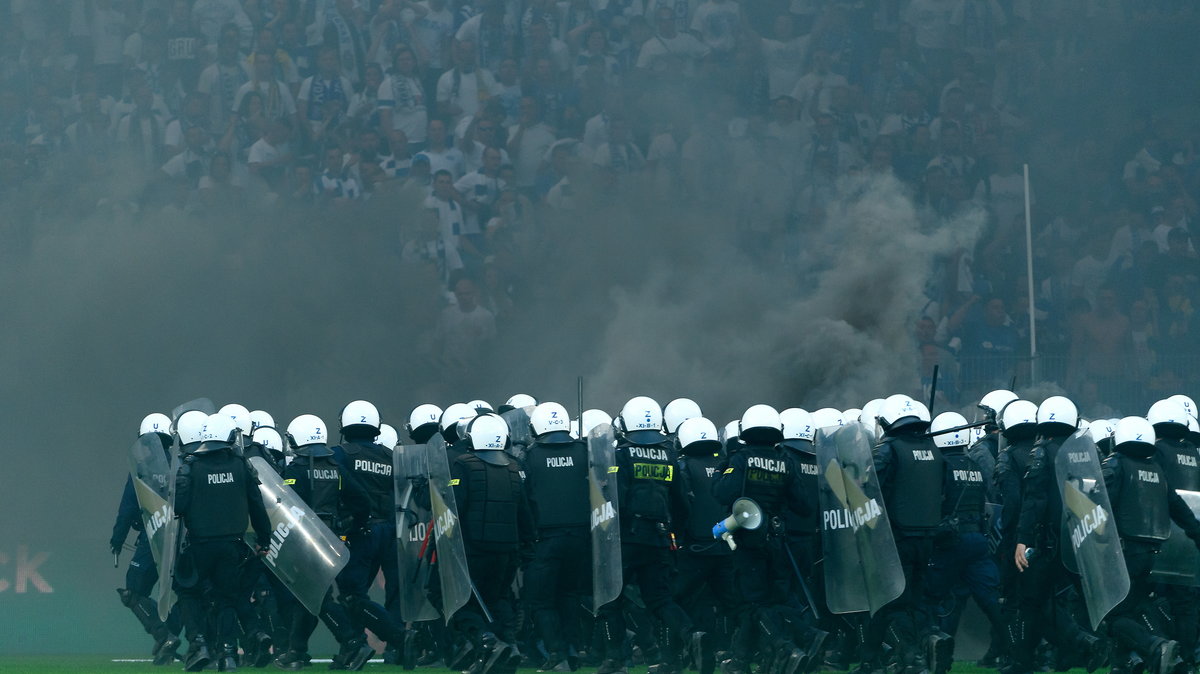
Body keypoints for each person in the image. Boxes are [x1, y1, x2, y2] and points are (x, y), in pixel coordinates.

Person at [713, 404, 810, 674]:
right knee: (774, 600)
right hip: (777, 540)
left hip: (748, 541)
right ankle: (745, 660)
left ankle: (788, 646)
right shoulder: (786, 461)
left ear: (746, 430)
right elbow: (803, 505)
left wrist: (724, 468)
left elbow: (722, 493)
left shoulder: (741, 459)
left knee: (752, 602)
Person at [1012, 396, 1106, 674]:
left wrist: (1022, 538)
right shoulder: (1089, 452)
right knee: (1069, 601)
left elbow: (1035, 499)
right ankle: (1066, 655)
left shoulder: (1042, 452)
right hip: (1083, 536)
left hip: (1049, 542)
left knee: (1032, 602)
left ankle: (1079, 645)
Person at [173, 412, 273, 672]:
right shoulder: (241, 465)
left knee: (188, 592)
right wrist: (265, 538)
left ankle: (198, 645)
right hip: (232, 547)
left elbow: (178, 507)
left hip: (199, 545)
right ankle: (228, 654)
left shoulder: (191, 466)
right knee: (227, 599)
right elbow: (257, 505)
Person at [274, 414, 374, 671]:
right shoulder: (335, 467)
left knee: (318, 598)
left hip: (304, 541)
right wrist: (349, 525)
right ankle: (296, 650)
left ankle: (353, 641)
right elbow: (363, 501)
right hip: (331, 540)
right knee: (307, 596)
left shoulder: (296, 469)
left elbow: (284, 505)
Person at [861, 394, 951, 674]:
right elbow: (945, 494)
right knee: (914, 600)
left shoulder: (888, 449)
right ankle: (929, 639)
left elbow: (868, 488)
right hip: (927, 538)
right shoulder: (934, 450)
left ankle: (912, 658)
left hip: (894, 540)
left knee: (892, 603)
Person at [1103, 416, 1200, 674]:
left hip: (1124, 552)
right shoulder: (1157, 469)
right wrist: (1196, 532)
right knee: (1137, 607)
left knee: (1113, 615)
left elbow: (1103, 507)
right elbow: (1178, 507)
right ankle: (1134, 662)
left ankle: (1155, 648)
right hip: (1153, 555)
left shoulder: (1116, 465)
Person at [450, 412, 534, 674]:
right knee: (497, 600)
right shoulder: (515, 468)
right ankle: (508, 648)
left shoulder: (463, 465)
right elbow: (525, 514)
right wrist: (528, 546)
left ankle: (488, 644)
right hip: (507, 552)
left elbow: (454, 508)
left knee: (459, 604)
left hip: (473, 550)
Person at [330, 400, 408, 663]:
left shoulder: (340, 454)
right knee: (388, 592)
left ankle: (395, 638)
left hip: (359, 532)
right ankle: (365, 650)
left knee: (352, 595)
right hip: (390, 531)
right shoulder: (390, 456)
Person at [926, 412, 1002, 672]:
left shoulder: (940, 466)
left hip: (948, 542)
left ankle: (939, 659)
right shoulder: (974, 466)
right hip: (977, 541)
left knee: (936, 600)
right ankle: (1016, 650)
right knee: (992, 601)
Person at [522, 401, 591, 671]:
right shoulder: (584, 452)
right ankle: (575, 650)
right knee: (569, 595)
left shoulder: (530, 456)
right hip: (581, 537)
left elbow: (525, 500)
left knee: (540, 600)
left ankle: (556, 653)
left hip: (546, 539)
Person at [112, 413, 181, 666]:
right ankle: (198, 643)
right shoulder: (183, 464)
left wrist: (117, 538)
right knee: (187, 593)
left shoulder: (141, 469)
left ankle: (164, 636)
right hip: (185, 539)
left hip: (152, 537)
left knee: (133, 590)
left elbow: (128, 506)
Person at [672, 416, 737, 674]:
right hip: (727, 547)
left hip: (695, 549)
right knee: (734, 603)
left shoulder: (683, 467)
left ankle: (686, 651)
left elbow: (681, 506)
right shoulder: (728, 465)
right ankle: (735, 652)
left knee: (679, 601)